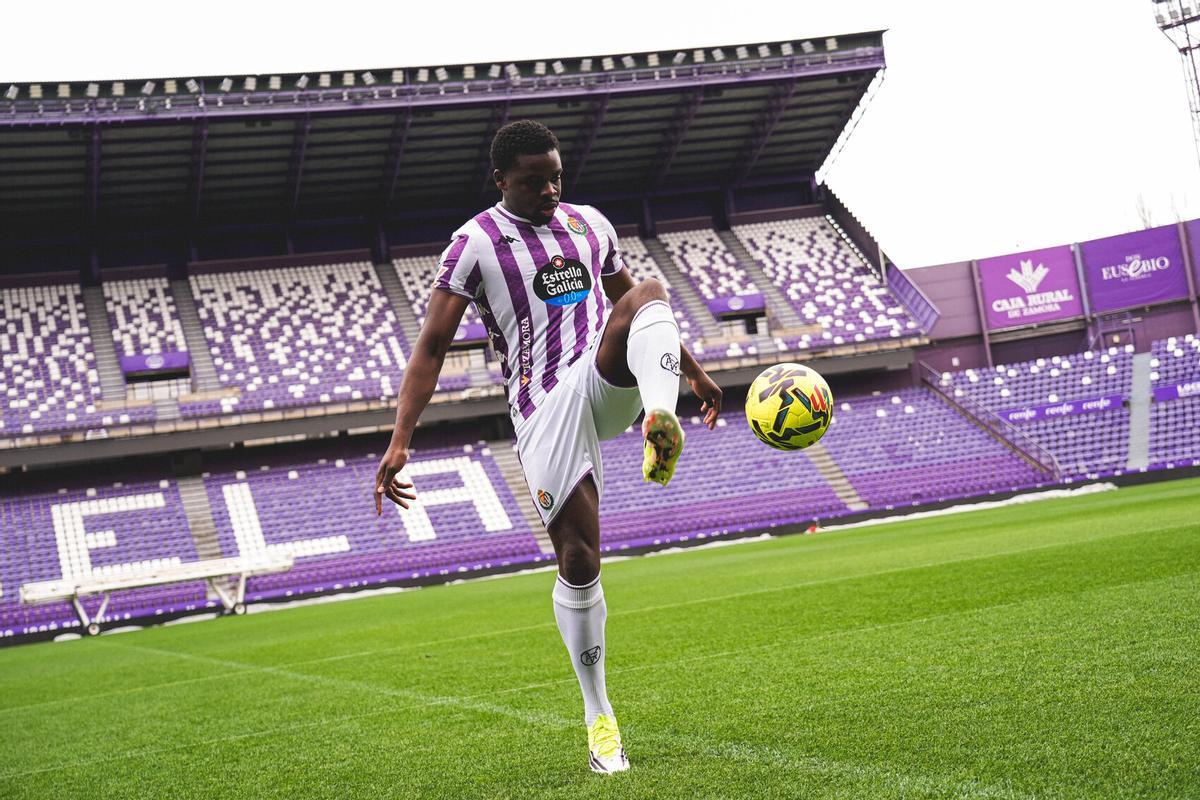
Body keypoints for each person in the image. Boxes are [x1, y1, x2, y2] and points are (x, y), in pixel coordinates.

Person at [374, 119, 722, 775]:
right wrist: (400, 441)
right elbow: (431, 348)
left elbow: (637, 309)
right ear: (500, 180)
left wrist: (694, 374)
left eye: (556, 175)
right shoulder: (473, 244)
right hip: (541, 408)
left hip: (601, 378)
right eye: (534, 181)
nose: (549, 190)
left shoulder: (591, 225)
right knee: (580, 557)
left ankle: (658, 417)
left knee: (650, 290)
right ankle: (600, 719)